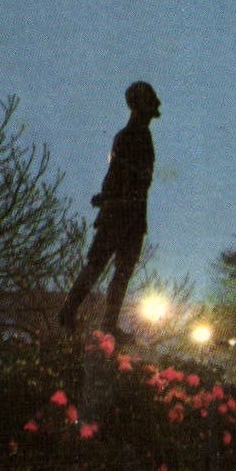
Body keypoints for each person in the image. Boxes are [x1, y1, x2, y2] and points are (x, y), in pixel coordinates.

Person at [58, 81, 160, 340]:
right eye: (150, 102)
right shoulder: (130, 136)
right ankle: (70, 311)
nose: (155, 107)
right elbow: (120, 175)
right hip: (121, 212)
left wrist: (107, 196)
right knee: (99, 266)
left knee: (120, 271)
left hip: (130, 213)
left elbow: (124, 176)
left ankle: (107, 322)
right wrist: (107, 197)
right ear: (140, 106)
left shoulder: (138, 135)